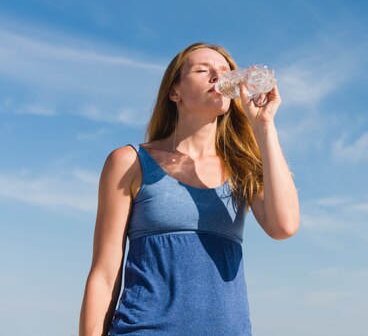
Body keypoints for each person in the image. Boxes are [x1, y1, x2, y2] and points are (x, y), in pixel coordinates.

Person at [78, 43, 300, 335]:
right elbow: (104, 274)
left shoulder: (242, 167)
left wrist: (264, 126)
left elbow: (283, 226)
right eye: (202, 70)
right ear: (175, 92)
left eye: (224, 72)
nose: (217, 77)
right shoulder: (129, 162)